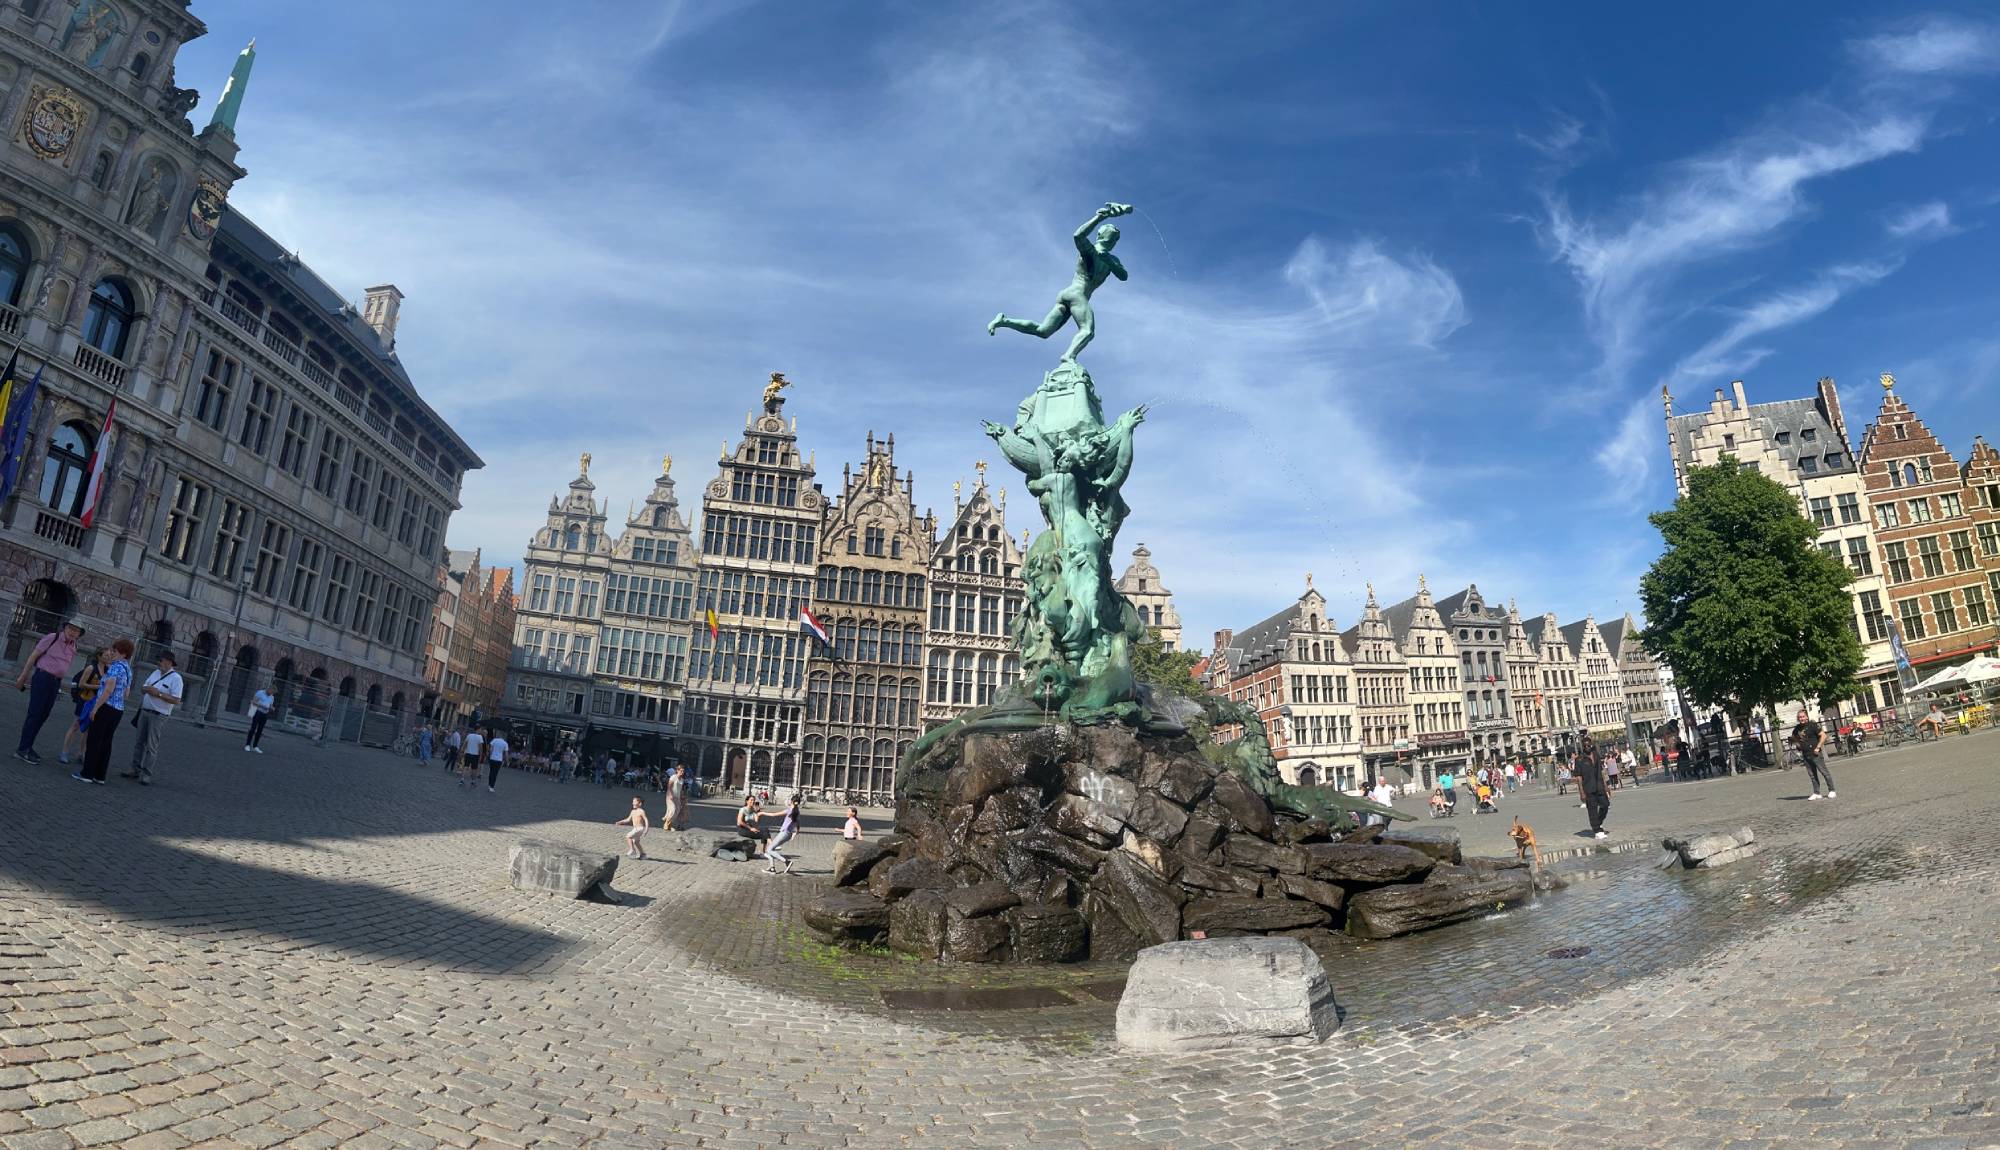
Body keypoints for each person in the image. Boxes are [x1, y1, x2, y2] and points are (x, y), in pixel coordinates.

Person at [987, 202, 1134, 362]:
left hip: (1067, 294)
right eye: (1113, 237)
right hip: (1077, 294)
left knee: (1043, 330)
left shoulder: (1110, 259)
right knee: (1087, 331)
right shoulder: (1090, 252)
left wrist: (1110, 260)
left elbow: (1123, 276)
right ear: (1103, 237)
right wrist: (1099, 217)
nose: (1114, 241)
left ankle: (1004, 321)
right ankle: (1069, 355)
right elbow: (1078, 236)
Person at [14, 618, 83, 763]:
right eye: (70, 628)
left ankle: (28, 745)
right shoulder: (53, 638)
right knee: (35, 713)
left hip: (55, 682)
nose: (72, 632)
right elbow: (34, 656)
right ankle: (22, 749)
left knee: (44, 714)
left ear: (79, 634)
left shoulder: (74, 646)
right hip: (42, 677)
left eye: (76, 631)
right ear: (65, 628)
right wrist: (23, 676)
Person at [73, 639, 133, 785]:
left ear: (123, 653)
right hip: (118, 710)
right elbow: (126, 693)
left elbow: (108, 690)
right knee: (106, 742)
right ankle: (100, 775)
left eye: (115, 651)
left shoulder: (114, 668)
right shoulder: (127, 669)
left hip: (105, 707)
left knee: (94, 740)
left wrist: (95, 708)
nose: (112, 653)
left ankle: (87, 773)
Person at [121, 652, 183, 786]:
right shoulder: (155, 673)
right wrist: (147, 689)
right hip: (145, 711)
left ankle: (147, 774)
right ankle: (135, 769)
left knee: (151, 745)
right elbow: (143, 688)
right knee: (139, 742)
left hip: (159, 715)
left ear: (169, 662)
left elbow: (176, 700)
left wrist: (159, 694)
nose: (158, 662)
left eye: (161, 660)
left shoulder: (176, 678)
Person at [57, 648, 106, 765]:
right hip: (85, 700)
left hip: (96, 702)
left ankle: (81, 753)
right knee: (76, 725)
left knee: (88, 729)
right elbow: (81, 684)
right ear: (99, 656)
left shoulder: (108, 670)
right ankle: (64, 752)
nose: (108, 657)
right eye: (106, 655)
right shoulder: (91, 668)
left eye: (109, 655)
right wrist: (97, 687)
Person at [1794, 709, 1835, 800]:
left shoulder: (1812, 725)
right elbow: (1795, 737)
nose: (1802, 718)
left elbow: (1823, 735)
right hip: (1805, 754)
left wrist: (1818, 747)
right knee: (1812, 775)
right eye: (1800, 717)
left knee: (1824, 772)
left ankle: (1832, 790)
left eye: (1803, 716)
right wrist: (1798, 745)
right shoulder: (1797, 728)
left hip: (1815, 753)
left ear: (1807, 717)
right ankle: (1817, 792)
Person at [1575, 736, 1609, 840]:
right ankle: (1597, 830)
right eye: (1585, 745)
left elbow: (1602, 771)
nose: (1587, 747)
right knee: (1592, 809)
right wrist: (1581, 792)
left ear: (1591, 744)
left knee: (1605, 805)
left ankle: (1598, 822)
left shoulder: (1596, 755)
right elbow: (1578, 777)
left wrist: (1606, 786)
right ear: (1582, 746)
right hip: (1588, 787)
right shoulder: (1579, 759)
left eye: (1588, 744)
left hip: (1599, 785)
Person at [764, 794, 801, 875]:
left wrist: (762, 812)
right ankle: (772, 868)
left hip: (784, 833)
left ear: (791, 801)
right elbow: (798, 823)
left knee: (769, 850)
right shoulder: (797, 812)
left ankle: (787, 862)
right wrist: (797, 831)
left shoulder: (789, 810)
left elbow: (773, 815)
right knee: (772, 849)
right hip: (788, 834)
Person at [244, 685, 274, 753]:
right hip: (258, 712)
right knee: (253, 728)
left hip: (265, 714)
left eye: (273, 693)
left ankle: (255, 746)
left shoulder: (272, 697)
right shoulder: (260, 693)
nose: (271, 694)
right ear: (269, 689)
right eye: (271, 692)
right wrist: (262, 706)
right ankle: (247, 745)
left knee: (260, 731)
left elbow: (271, 705)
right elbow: (253, 701)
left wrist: (272, 708)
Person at [485, 727, 509, 792]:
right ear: (504, 737)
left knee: (491, 772)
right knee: (495, 773)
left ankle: (489, 784)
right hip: (499, 760)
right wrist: (507, 761)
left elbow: (490, 749)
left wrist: (490, 754)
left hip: (492, 758)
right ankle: (492, 786)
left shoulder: (494, 740)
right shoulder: (505, 743)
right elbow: (506, 754)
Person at [662, 762, 685, 829]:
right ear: (677, 770)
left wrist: (682, 796)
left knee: (677, 811)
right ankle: (666, 823)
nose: (682, 772)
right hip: (670, 796)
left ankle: (669, 824)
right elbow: (669, 786)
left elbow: (680, 789)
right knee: (672, 810)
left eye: (683, 771)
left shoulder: (682, 780)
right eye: (681, 770)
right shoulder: (673, 777)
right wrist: (670, 794)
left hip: (677, 797)